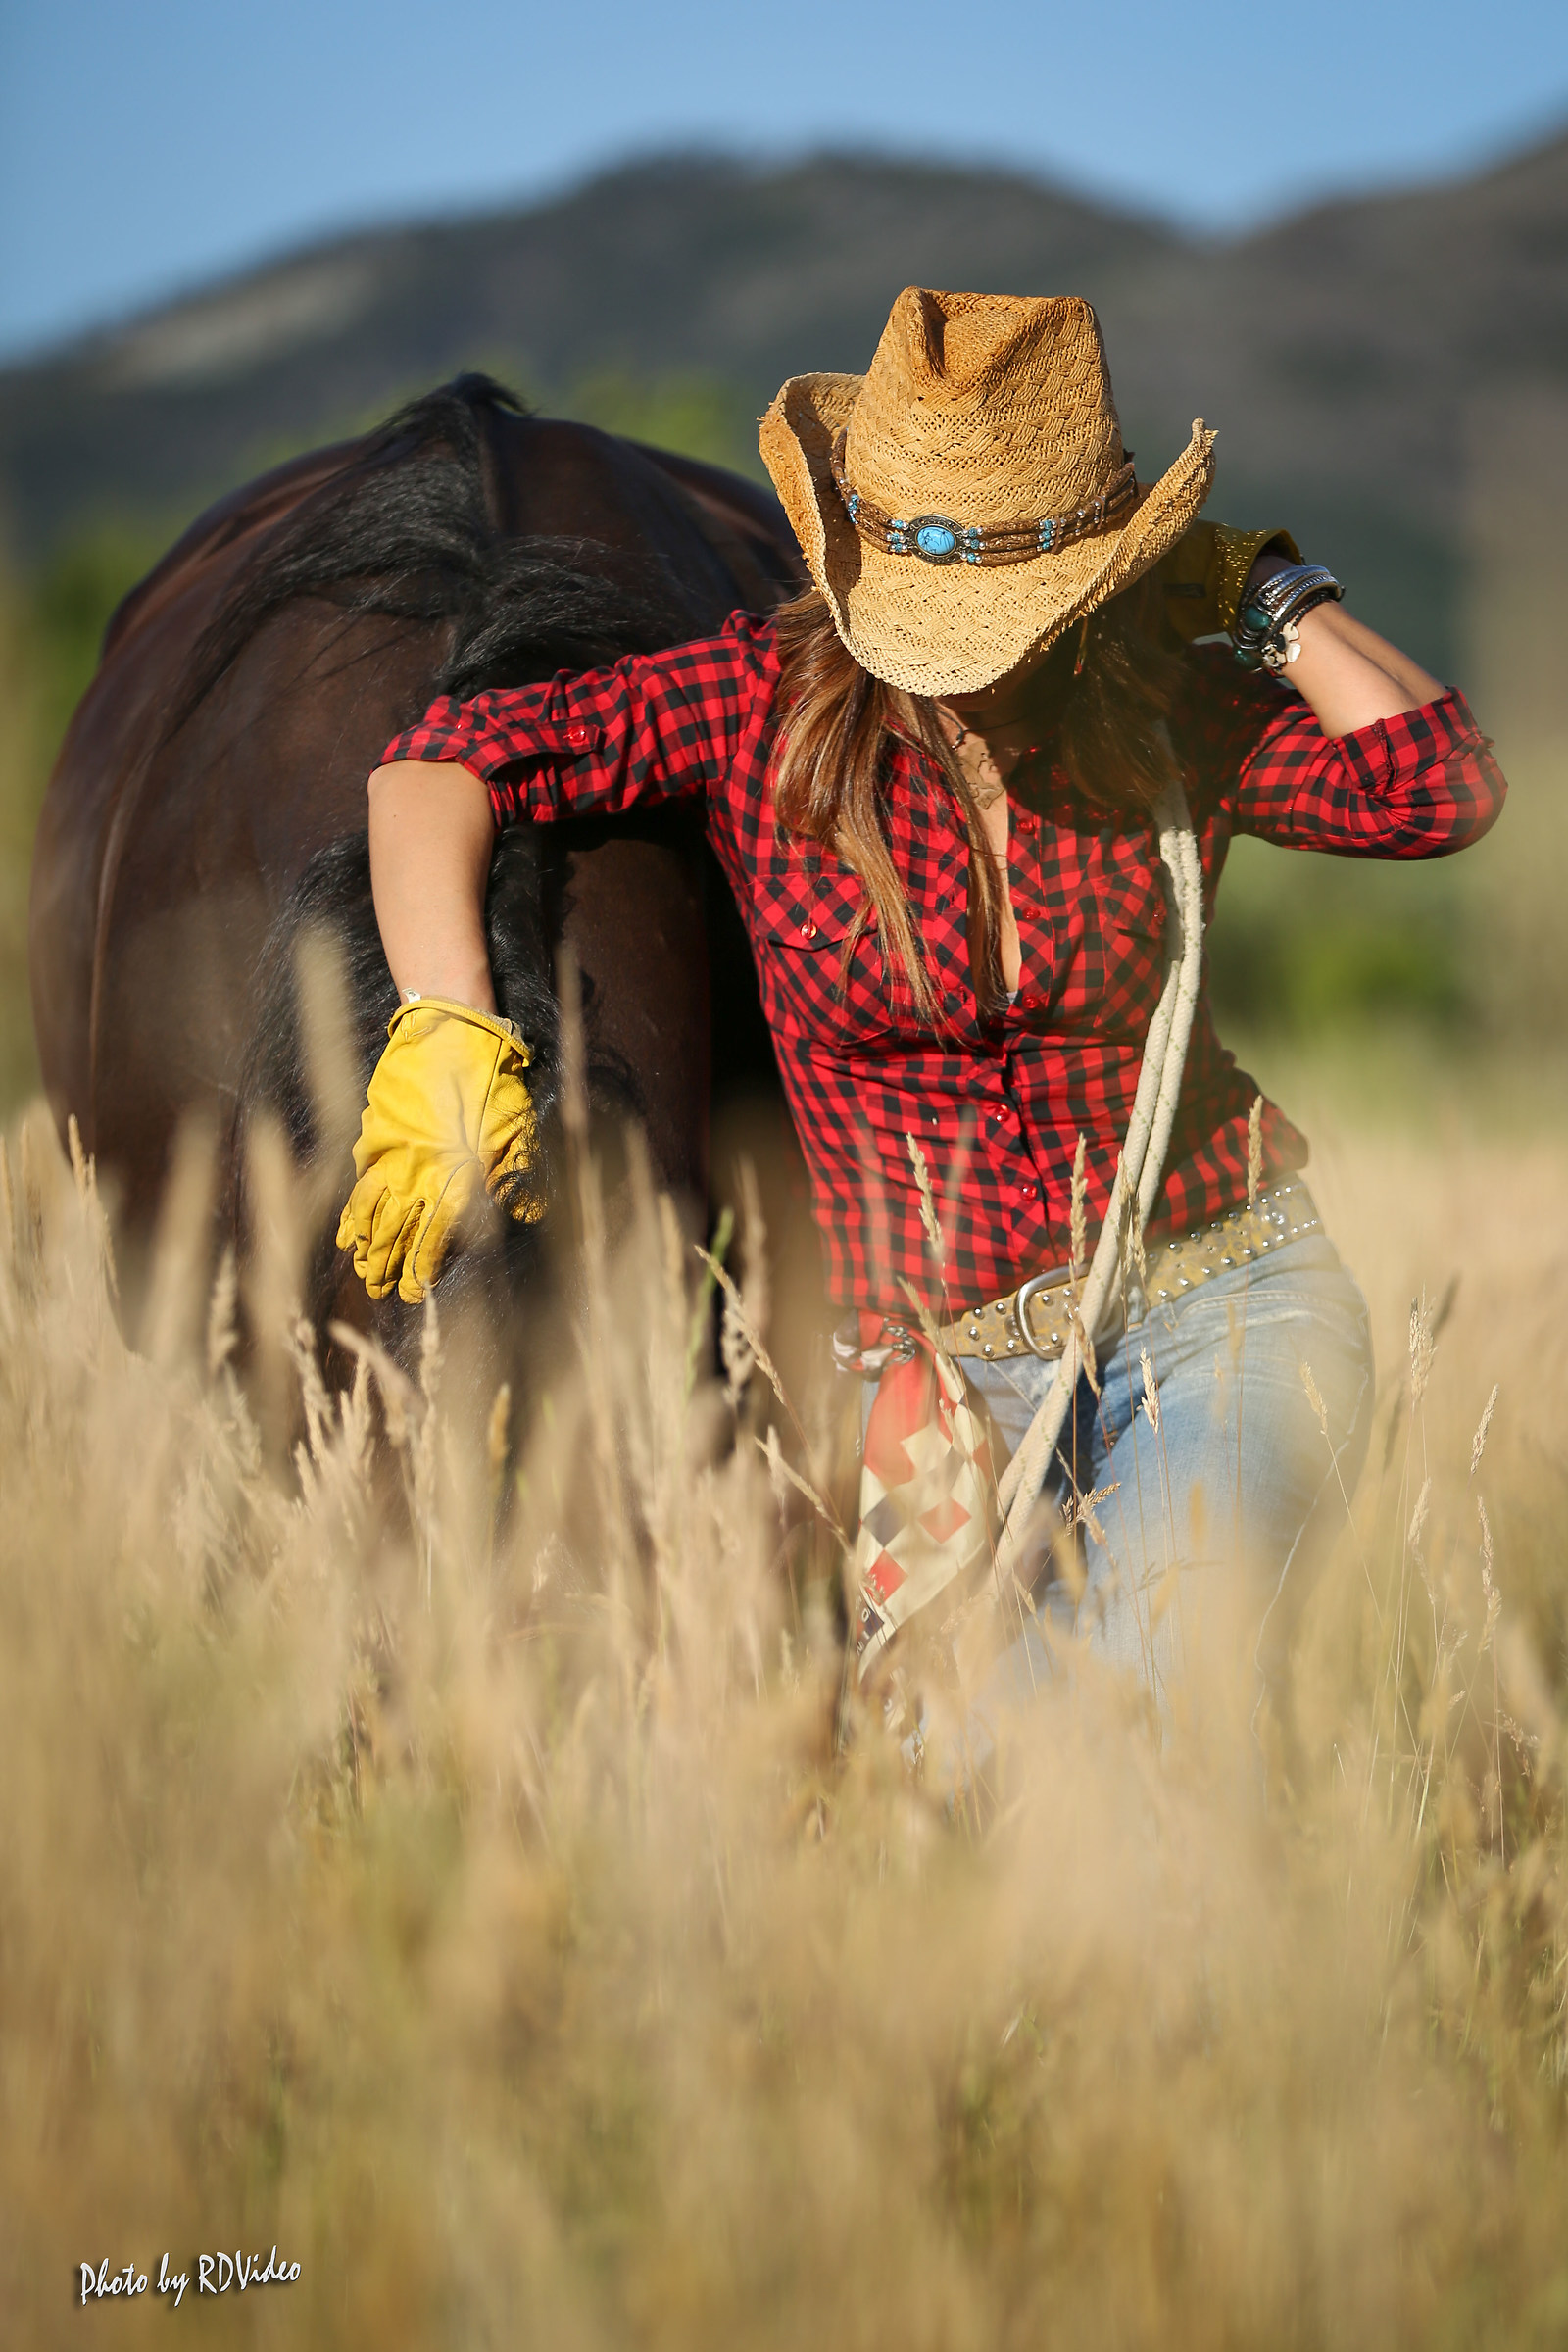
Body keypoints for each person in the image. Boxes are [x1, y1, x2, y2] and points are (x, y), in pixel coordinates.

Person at [338, 289, 1505, 1717]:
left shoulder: (1158, 712)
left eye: (1021, 620)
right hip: (932, 1387)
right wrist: (446, 1020)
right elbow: (438, 763)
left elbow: (1437, 790)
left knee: (1150, 1694)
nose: (975, 673)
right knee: (970, 1798)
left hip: (1226, 1313)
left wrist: (1263, 596)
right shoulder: (749, 711)